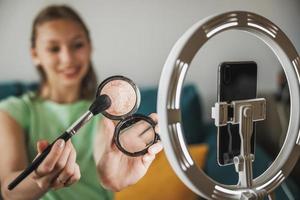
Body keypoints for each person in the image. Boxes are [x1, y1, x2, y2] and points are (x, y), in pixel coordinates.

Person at [0, 5, 162, 200]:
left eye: (77, 45)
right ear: (35, 54)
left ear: (89, 46)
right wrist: (38, 179)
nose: (67, 58)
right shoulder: (13, 112)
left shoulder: (107, 113)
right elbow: (8, 192)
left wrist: (112, 177)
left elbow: (105, 155)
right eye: (54, 48)